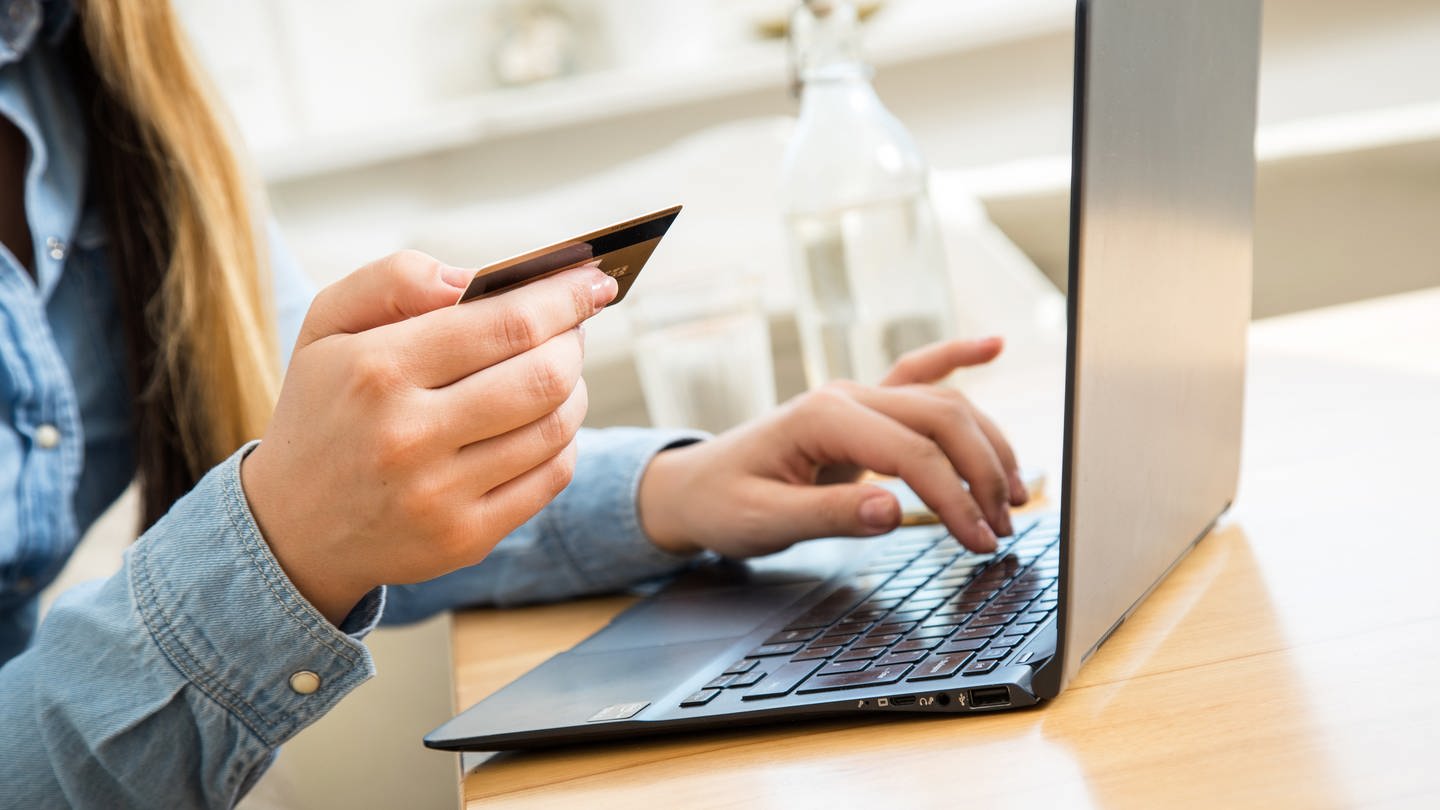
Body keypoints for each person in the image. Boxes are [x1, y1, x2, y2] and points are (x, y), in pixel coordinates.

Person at [0, 0, 1028, 806]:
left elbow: (333, 474)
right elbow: (295, 510)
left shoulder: (90, 66)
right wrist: (284, 546)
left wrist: (672, 488)